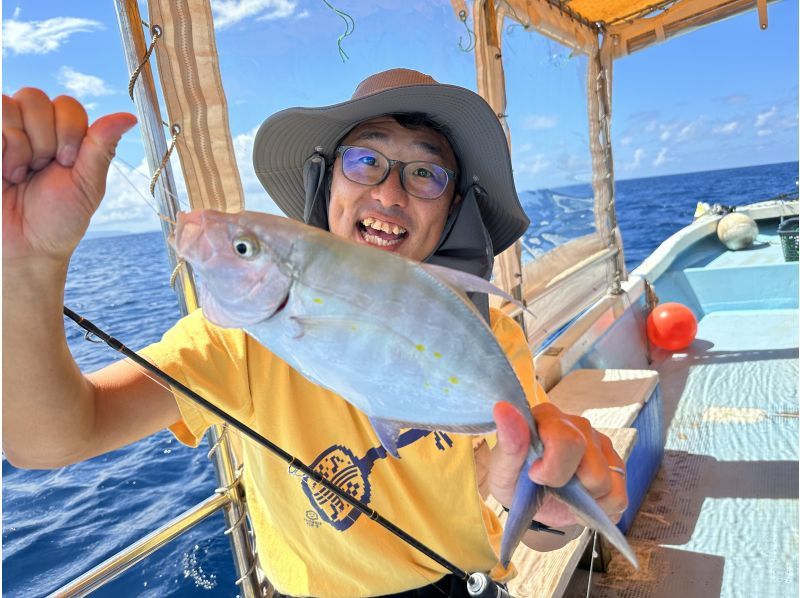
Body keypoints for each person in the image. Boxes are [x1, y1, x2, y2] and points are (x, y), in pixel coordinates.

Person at [3, 69, 628, 597]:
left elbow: (511, 466)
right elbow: (55, 439)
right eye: (365, 160)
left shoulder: (482, 332)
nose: (388, 191)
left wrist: (551, 510)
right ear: (326, 181)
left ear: (452, 210)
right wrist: (27, 269)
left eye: (425, 174)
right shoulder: (237, 338)